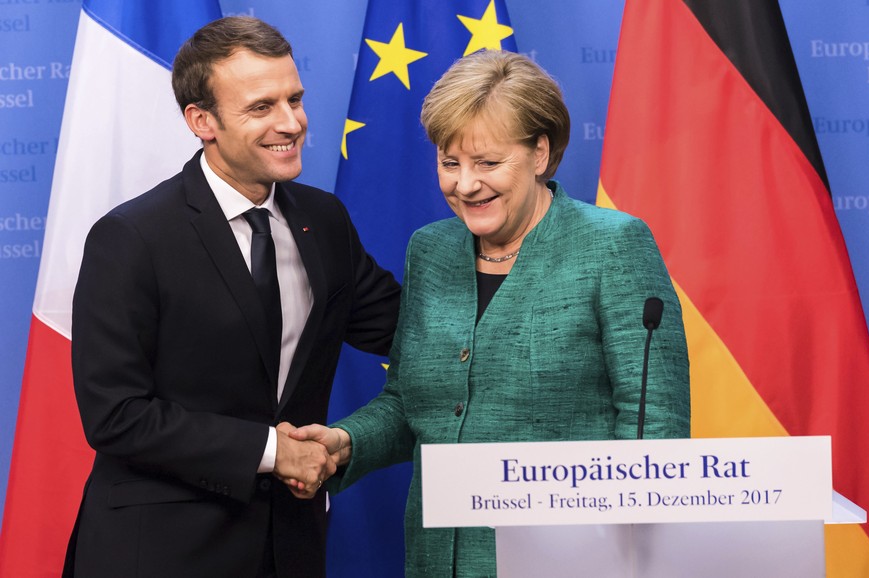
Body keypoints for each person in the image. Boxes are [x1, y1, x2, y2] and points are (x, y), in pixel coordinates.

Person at [289, 50, 690, 577]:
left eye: (487, 163)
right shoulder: (428, 250)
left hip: (573, 562)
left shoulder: (613, 246)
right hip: (437, 560)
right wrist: (344, 443)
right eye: (449, 163)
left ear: (540, 153)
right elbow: (415, 405)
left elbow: (655, 429)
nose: (465, 185)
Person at [62, 16, 400, 578]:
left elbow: (412, 329)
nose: (291, 123)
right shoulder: (133, 237)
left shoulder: (324, 219)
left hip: (290, 548)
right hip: (161, 552)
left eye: (295, 98)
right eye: (261, 107)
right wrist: (272, 450)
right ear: (202, 121)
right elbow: (116, 415)